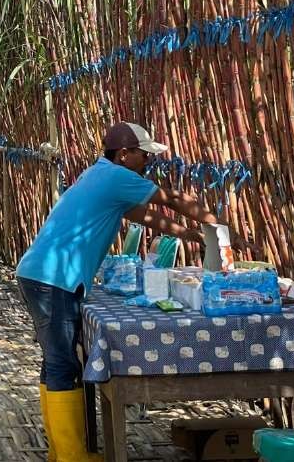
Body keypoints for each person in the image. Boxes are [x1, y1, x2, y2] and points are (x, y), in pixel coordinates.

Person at [15, 122, 251, 462]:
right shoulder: (115, 176)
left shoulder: (101, 176)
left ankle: (62, 452)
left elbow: (148, 217)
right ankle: (71, 456)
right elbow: (171, 199)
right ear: (124, 154)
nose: (147, 163)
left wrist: (194, 236)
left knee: (57, 360)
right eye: (144, 155)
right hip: (52, 278)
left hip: (43, 275)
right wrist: (217, 227)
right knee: (61, 362)